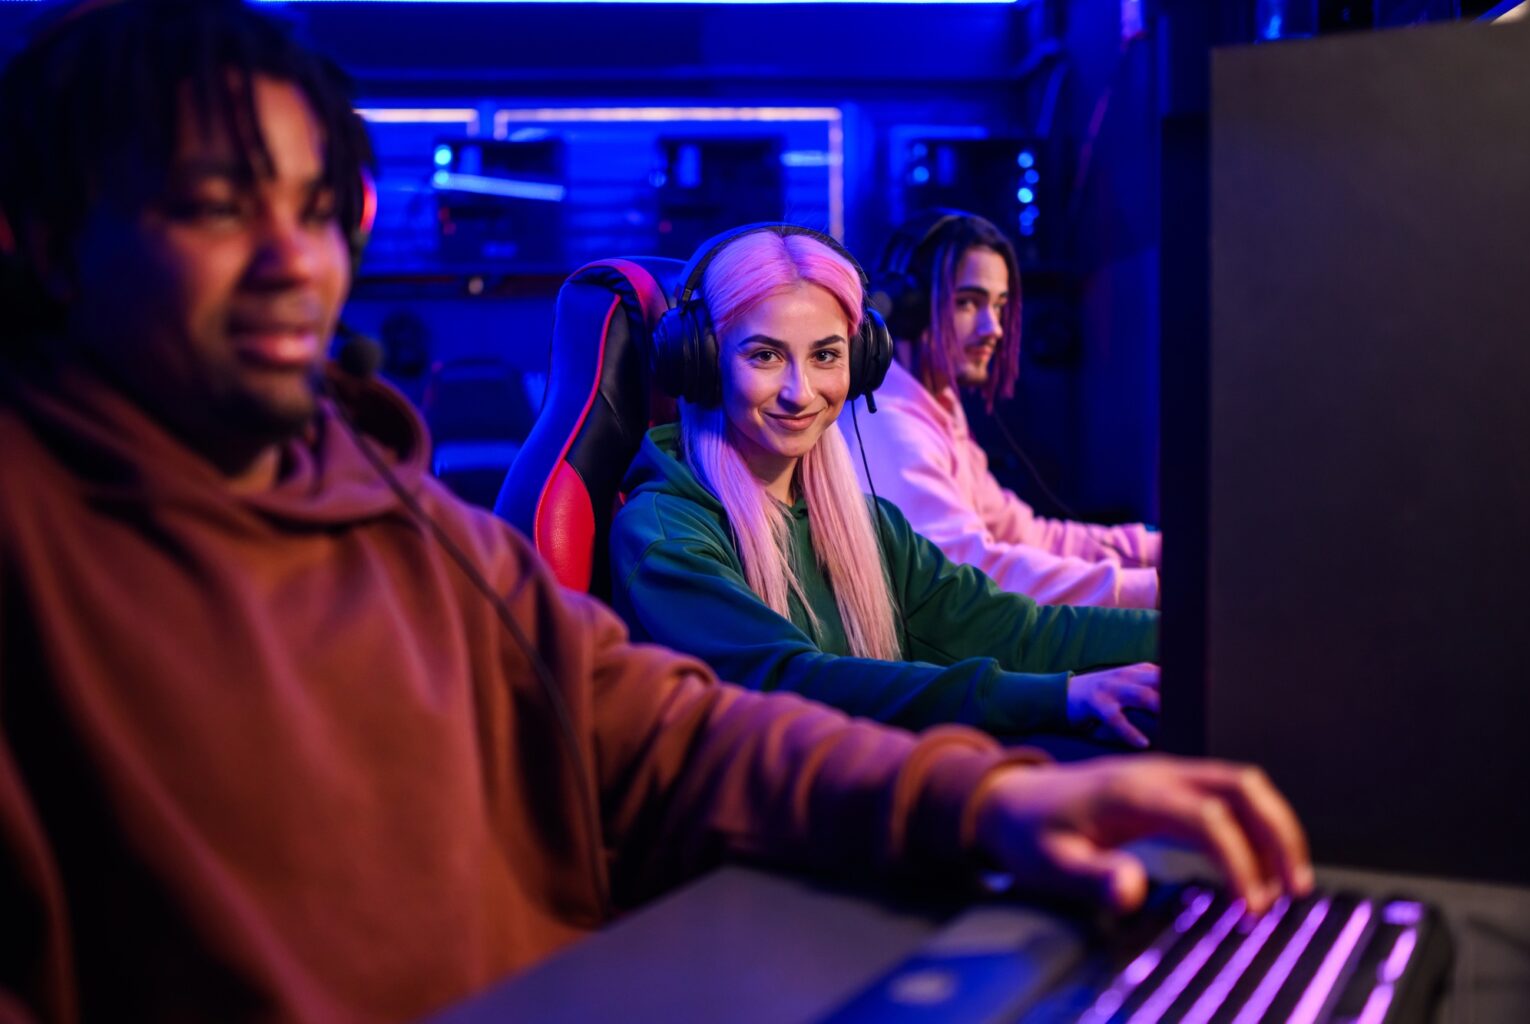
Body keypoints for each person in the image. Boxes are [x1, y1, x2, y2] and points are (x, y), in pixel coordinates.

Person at [0, 3, 1309, 1020]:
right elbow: (781, 679)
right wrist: (1049, 717)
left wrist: (990, 802)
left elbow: (669, 733)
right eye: (217, 211)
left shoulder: (412, 530)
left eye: (315, 210)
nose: (297, 263)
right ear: (42, 240)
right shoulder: (42, 559)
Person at [610, 224, 1162, 746]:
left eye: (826, 355)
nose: (800, 392)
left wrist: (1191, 632)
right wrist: (1057, 696)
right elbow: (796, 685)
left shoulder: (869, 526)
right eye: (765, 355)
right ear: (702, 364)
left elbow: (1012, 629)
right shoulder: (664, 535)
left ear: (862, 361)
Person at [846, 209, 1161, 609]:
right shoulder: (889, 427)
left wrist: (1153, 549)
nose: (993, 327)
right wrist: (1153, 589)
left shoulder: (937, 408)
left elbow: (1025, 534)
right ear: (909, 310)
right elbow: (974, 578)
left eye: (998, 306)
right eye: (967, 303)